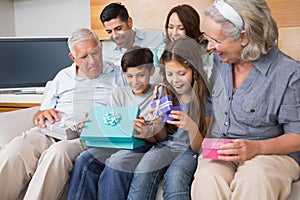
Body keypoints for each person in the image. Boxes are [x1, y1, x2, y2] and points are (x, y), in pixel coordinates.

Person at [191, 0, 300, 199]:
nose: (210, 47)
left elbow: (297, 135)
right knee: (208, 178)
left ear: (245, 37)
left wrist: (257, 148)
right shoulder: (218, 60)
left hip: (270, 153)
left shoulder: (289, 73)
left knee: (255, 178)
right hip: (222, 147)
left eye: (216, 40)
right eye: (208, 38)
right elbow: (186, 80)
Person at [0, 28, 125, 200]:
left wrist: (101, 120)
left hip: (86, 135)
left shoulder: (119, 74)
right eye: (84, 57)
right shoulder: (62, 76)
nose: (93, 61)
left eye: (95, 52)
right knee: (15, 151)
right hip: (53, 130)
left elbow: (126, 113)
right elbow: (42, 112)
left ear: (101, 47)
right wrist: (43, 113)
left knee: (56, 154)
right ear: (73, 58)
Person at [67, 46, 166, 200]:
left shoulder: (159, 93)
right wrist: (93, 124)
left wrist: (148, 132)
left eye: (141, 75)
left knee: (116, 162)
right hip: (117, 144)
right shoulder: (118, 93)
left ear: (152, 71)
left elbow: (162, 138)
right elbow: (111, 127)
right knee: (84, 159)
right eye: (129, 76)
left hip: (143, 145)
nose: (135, 82)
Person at [126, 37, 211, 200]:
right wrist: (157, 127)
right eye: (170, 74)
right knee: (144, 168)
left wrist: (191, 127)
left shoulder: (203, 99)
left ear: (194, 70)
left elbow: (200, 148)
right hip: (166, 146)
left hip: (188, 151)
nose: (175, 80)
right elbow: (162, 138)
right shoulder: (166, 93)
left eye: (181, 73)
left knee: (176, 176)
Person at [100, 2, 164, 69]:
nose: (115, 35)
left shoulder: (158, 38)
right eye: (109, 31)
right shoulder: (105, 54)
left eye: (118, 28)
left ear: (129, 22)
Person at [157, 4, 213, 76]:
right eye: (170, 27)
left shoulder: (208, 51)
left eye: (181, 28)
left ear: (191, 29)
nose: (174, 33)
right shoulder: (161, 50)